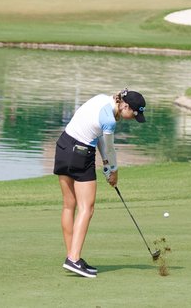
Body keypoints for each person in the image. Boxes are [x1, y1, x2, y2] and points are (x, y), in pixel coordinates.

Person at [54, 88, 147, 278]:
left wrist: (106, 166)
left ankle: (73, 257)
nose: (132, 119)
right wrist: (114, 171)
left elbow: (97, 138)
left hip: (63, 146)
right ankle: (73, 258)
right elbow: (110, 148)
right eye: (133, 115)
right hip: (80, 154)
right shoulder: (110, 120)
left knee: (68, 206)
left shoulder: (101, 99)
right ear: (125, 106)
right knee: (87, 208)